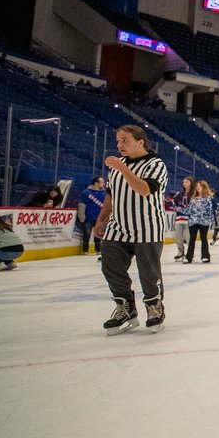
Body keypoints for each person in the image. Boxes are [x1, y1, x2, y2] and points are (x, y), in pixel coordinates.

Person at [92, 125, 168, 334]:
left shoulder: (155, 164)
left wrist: (124, 169)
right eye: (118, 141)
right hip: (118, 227)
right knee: (110, 265)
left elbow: (144, 189)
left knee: (149, 272)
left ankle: (154, 307)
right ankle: (125, 307)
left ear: (140, 142)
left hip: (147, 227)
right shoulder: (118, 166)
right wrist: (101, 218)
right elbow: (111, 194)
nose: (119, 145)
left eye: (125, 140)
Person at [185, 180, 214, 263]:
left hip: (204, 222)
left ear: (204, 187)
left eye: (200, 186)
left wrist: (210, 220)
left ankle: (205, 256)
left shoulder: (208, 198)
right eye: (197, 185)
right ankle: (189, 257)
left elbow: (210, 210)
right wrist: (178, 209)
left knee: (203, 238)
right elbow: (189, 210)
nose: (198, 187)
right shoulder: (193, 198)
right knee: (192, 239)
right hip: (193, 222)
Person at [78, 176, 106, 258]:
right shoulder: (86, 193)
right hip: (88, 217)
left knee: (98, 234)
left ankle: (98, 249)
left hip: (99, 218)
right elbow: (82, 205)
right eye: (102, 182)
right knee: (87, 234)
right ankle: (85, 250)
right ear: (96, 183)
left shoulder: (104, 194)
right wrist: (81, 216)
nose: (103, 184)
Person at [171, 177, 192, 261]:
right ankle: (180, 252)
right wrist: (174, 207)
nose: (184, 183)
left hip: (189, 219)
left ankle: (190, 253)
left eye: (186, 182)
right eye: (183, 182)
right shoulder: (179, 194)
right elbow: (173, 205)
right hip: (179, 218)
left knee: (188, 237)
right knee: (178, 236)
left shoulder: (194, 194)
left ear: (191, 183)